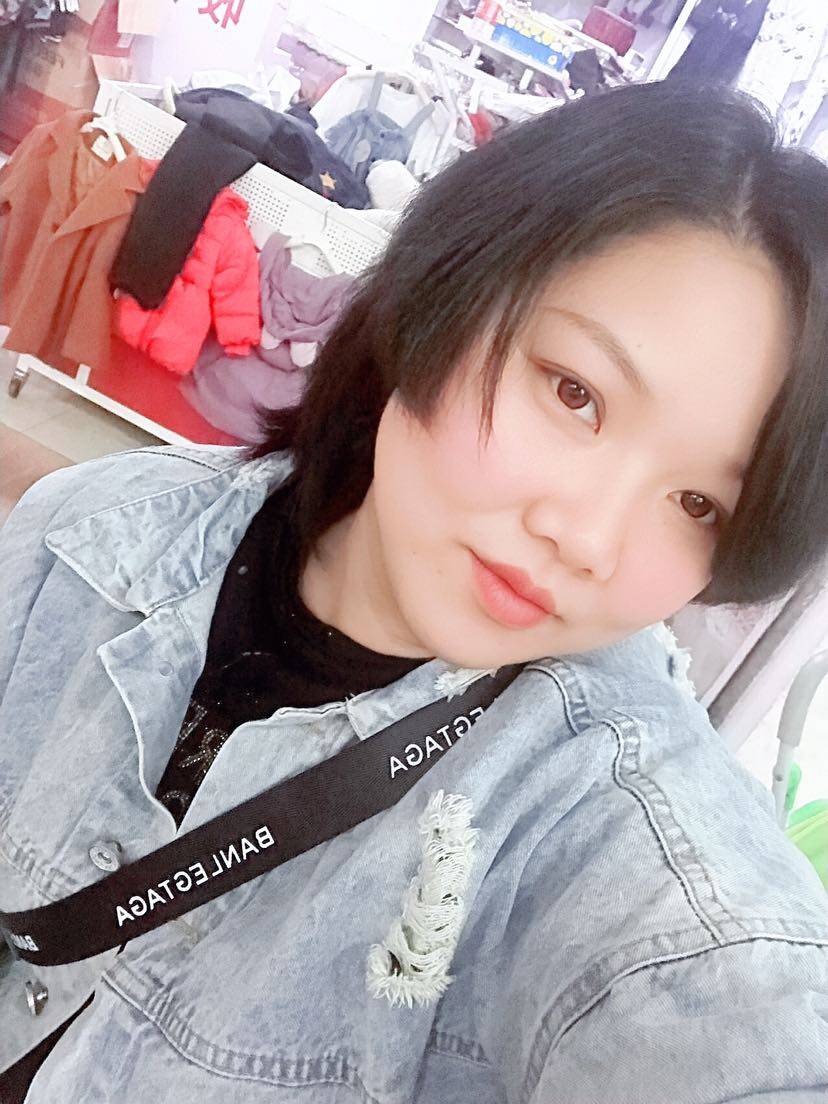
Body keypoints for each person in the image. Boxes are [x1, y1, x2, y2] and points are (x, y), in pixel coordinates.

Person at [1, 80, 827, 1102]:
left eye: (699, 503)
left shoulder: (616, 840)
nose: (588, 539)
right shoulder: (89, 533)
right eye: (575, 394)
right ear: (452, 289)